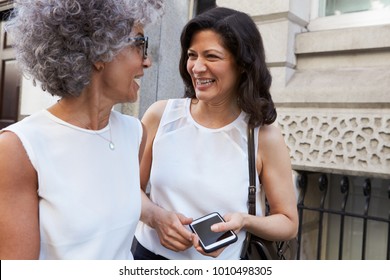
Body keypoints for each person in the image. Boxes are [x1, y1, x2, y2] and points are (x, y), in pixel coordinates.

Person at [0, 0, 163, 260]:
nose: (148, 61)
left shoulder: (134, 133)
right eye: (140, 45)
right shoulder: (19, 148)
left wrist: (159, 217)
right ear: (100, 51)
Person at [133, 7, 299, 260]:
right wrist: (156, 218)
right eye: (192, 55)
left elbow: (288, 222)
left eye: (211, 56)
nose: (197, 67)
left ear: (243, 64)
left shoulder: (263, 136)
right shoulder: (160, 115)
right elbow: (128, 188)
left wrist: (244, 221)